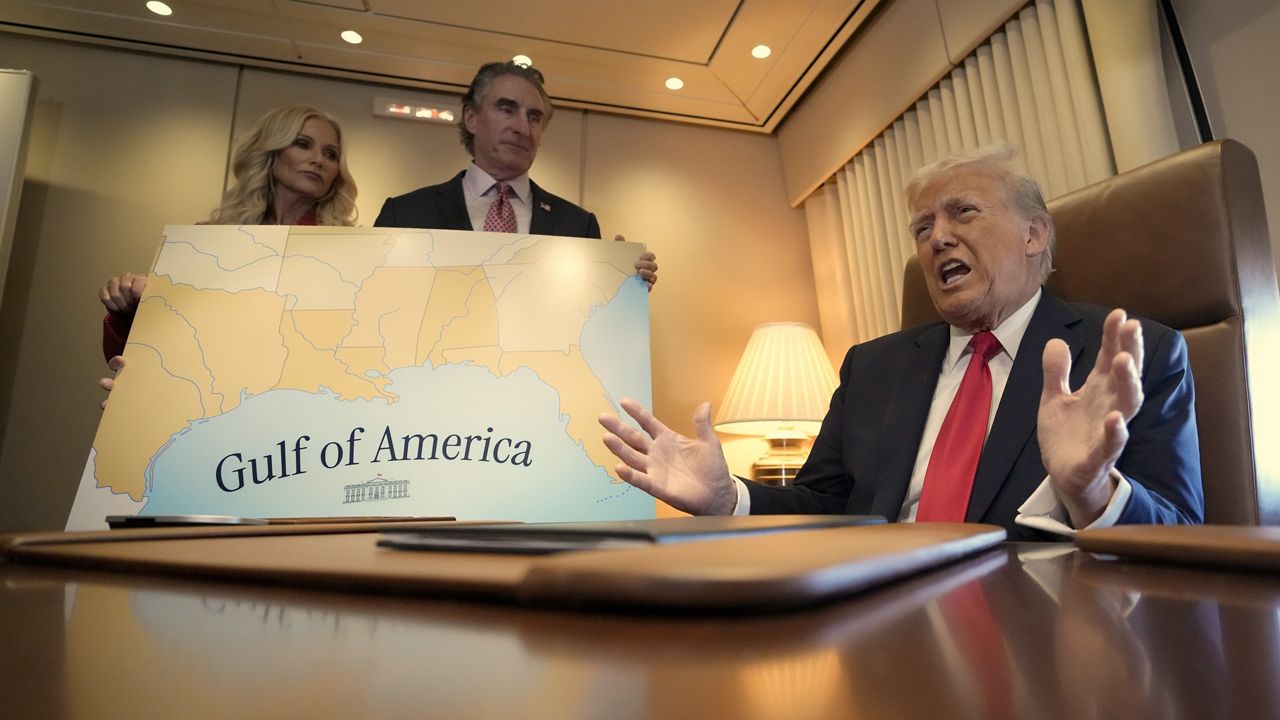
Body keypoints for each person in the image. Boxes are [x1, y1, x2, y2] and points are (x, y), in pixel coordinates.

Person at [598, 145, 1203, 540]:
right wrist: (727, 498)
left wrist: (1093, 493)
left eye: (963, 213)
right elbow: (826, 507)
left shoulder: (1128, 357)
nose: (938, 238)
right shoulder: (873, 367)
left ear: (1033, 234)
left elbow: (1181, 533)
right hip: (875, 628)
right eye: (923, 227)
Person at [98, 105, 358, 397]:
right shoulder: (206, 242)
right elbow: (152, 349)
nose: (318, 160)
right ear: (271, 151)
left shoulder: (351, 253)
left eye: (331, 154)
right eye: (302, 144)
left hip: (310, 402)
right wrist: (128, 307)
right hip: (215, 401)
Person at [373, 61, 658, 289]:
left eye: (534, 117)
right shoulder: (404, 215)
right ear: (471, 118)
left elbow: (591, 319)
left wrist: (620, 288)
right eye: (507, 109)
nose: (523, 128)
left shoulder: (578, 226)